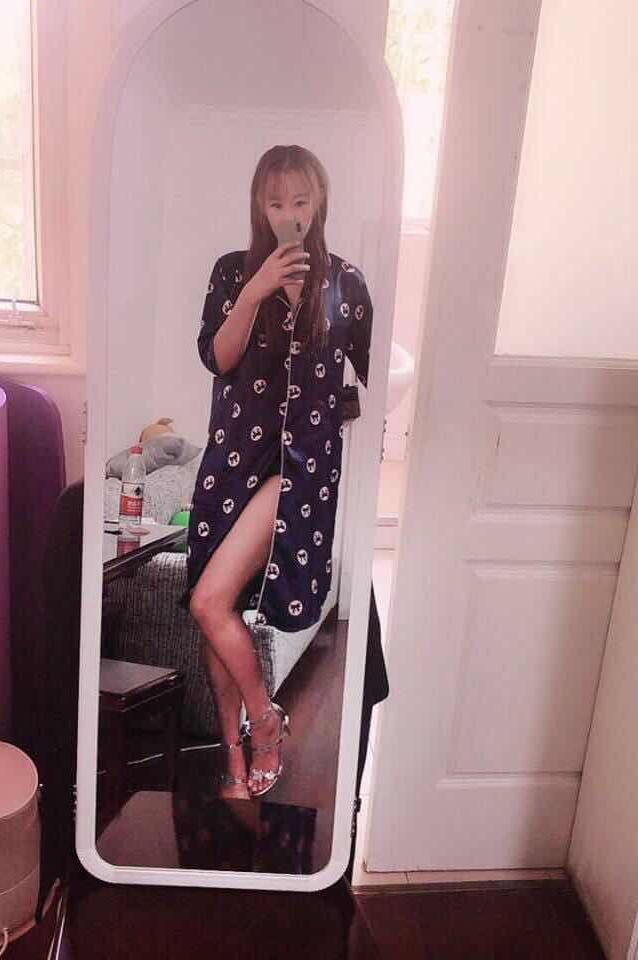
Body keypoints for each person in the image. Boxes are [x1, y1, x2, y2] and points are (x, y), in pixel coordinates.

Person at [177, 144, 373, 799]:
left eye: (300, 201)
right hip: (232, 462)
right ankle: (233, 760)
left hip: (298, 473)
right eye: (275, 201)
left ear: (319, 204)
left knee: (207, 600)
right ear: (259, 207)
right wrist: (256, 289)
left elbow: (371, 374)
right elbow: (219, 357)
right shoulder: (232, 272)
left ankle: (264, 723)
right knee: (218, 609)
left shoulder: (345, 283)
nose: (288, 213)